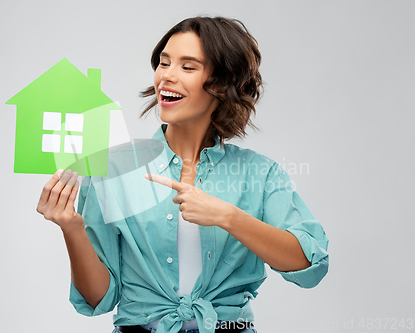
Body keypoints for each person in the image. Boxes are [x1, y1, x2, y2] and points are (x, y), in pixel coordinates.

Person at [36, 16, 329, 333]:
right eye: (164, 63)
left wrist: (227, 216)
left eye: (187, 67)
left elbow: (311, 266)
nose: (167, 77)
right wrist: (72, 228)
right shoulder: (112, 169)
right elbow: (97, 300)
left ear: (220, 84)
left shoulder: (260, 173)